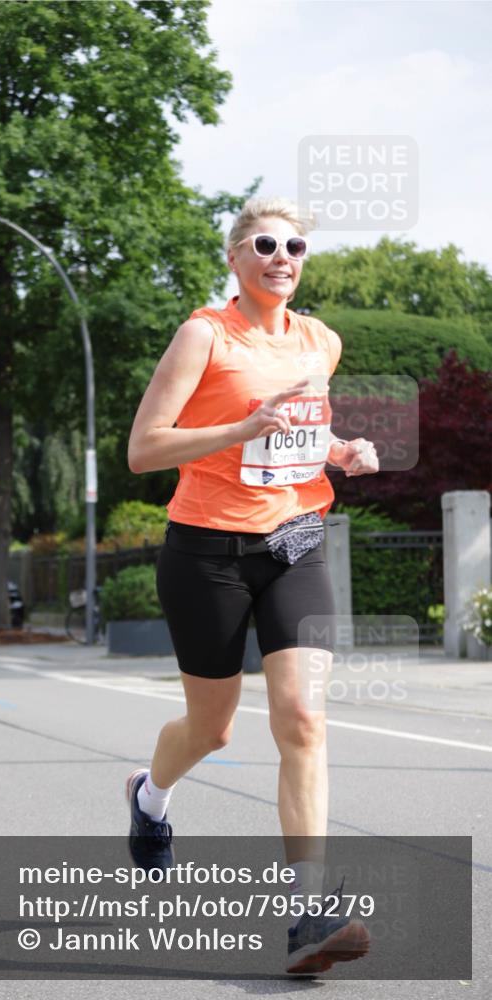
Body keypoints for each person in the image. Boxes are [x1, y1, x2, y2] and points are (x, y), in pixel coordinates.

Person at [125, 195, 378, 975]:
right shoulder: (204, 333)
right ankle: (149, 798)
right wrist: (238, 429)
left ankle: (306, 912)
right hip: (205, 551)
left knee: (301, 717)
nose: (282, 257)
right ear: (234, 257)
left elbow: (300, 430)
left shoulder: (319, 340)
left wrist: (336, 453)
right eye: (264, 243)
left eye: (295, 246)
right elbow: (143, 449)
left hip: (296, 539)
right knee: (213, 730)